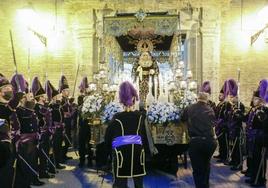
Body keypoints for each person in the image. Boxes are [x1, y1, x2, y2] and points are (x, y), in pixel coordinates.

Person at [105, 81, 148, 188]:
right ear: (134, 98)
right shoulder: (140, 116)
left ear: (121, 100)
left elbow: (108, 137)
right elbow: (144, 136)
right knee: (138, 183)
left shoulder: (117, 117)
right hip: (137, 152)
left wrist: (109, 151)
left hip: (121, 153)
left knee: (120, 183)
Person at [181, 91, 217, 188]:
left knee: (198, 170)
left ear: (197, 98)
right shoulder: (210, 109)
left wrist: (187, 132)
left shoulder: (189, 108)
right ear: (206, 100)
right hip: (210, 142)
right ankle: (206, 185)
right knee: (206, 166)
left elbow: (183, 120)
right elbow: (214, 124)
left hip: (196, 141)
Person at [0, 75, 23, 188]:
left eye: (10, 88)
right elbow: (3, 116)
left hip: (12, 145)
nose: (10, 90)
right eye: (6, 88)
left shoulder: (10, 107)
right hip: (1, 148)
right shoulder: (5, 108)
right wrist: (14, 102)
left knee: (11, 174)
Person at [244, 79, 268, 186]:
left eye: (256, 99)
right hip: (254, 137)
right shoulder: (255, 109)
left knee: (260, 160)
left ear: (261, 100)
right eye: (254, 99)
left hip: (261, 138)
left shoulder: (265, 110)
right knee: (254, 159)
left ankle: (260, 179)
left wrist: (263, 115)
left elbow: (265, 125)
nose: (254, 100)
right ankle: (254, 177)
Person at [32, 76, 55, 179]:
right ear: (40, 97)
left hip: (47, 133)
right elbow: (38, 121)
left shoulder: (45, 106)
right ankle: (41, 172)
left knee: (46, 152)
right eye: (44, 95)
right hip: (41, 134)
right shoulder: (36, 108)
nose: (46, 96)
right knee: (41, 154)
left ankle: (44, 170)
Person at [45, 80, 65, 169]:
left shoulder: (59, 106)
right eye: (59, 96)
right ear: (54, 97)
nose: (61, 98)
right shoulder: (51, 107)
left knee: (59, 146)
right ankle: (53, 164)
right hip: (54, 130)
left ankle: (57, 162)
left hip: (60, 129)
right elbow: (50, 119)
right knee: (54, 147)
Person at [77, 76, 92, 168]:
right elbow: (79, 106)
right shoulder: (80, 98)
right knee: (81, 144)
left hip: (89, 125)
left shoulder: (91, 98)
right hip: (82, 125)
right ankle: (82, 160)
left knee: (90, 143)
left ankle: (90, 159)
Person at [59, 75, 73, 161]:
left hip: (68, 122)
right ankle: (61, 156)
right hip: (63, 122)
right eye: (67, 91)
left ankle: (64, 154)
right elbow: (61, 111)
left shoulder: (67, 99)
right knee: (64, 140)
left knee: (68, 139)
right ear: (63, 91)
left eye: (68, 91)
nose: (68, 92)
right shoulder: (61, 100)